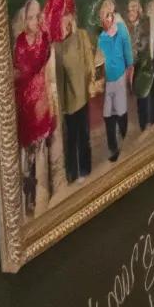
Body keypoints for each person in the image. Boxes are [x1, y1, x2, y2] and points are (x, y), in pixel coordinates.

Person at [12, 0, 64, 214]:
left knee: (43, 151)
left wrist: (46, 34)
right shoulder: (21, 43)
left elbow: (45, 57)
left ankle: (44, 194)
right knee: (28, 156)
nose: (34, 21)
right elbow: (28, 68)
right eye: (30, 17)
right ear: (25, 19)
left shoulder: (43, 38)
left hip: (41, 103)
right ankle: (29, 198)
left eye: (37, 16)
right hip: (26, 106)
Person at [53, 12, 95, 184]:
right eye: (63, 19)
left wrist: (91, 82)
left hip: (82, 95)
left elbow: (89, 62)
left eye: (68, 17)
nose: (66, 22)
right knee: (71, 138)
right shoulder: (57, 46)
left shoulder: (81, 36)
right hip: (68, 100)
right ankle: (72, 173)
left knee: (83, 134)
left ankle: (85, 168)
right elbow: (59, 77)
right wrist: (61, 105)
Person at [97, 0, 133, 161]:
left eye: (108, 13)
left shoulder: (120, 29)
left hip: (119, 76)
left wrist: (129, 68)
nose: (107, 17)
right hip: (109, 80)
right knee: (109, 115)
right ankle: (114, 147)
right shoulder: (102, 37)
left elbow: (127, 49)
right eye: (104, 15)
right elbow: (99, 59)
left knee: (119, 111)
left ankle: (123, 140)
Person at [126, 0, 154, 134]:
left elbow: (141, 46)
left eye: (133, 10)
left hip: (144, 66)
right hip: (138, 66)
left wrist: (131, 57)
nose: (130, 13)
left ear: (138, 11)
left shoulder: (143, 24)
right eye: (129, 10)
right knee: (141, 97)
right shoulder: (133, 27)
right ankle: (144, 124)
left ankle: (146, 125)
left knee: (144, 96)